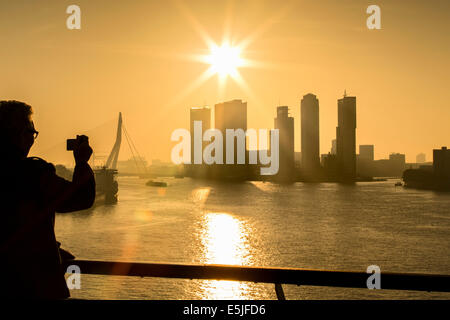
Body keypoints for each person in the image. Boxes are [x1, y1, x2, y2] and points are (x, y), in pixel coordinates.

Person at [0, 100, 96, 299]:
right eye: (31, 132)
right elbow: (81, 198)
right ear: (18, 134)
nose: (33, 139)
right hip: (31, 287)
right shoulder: (32, 175)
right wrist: (81, 162)